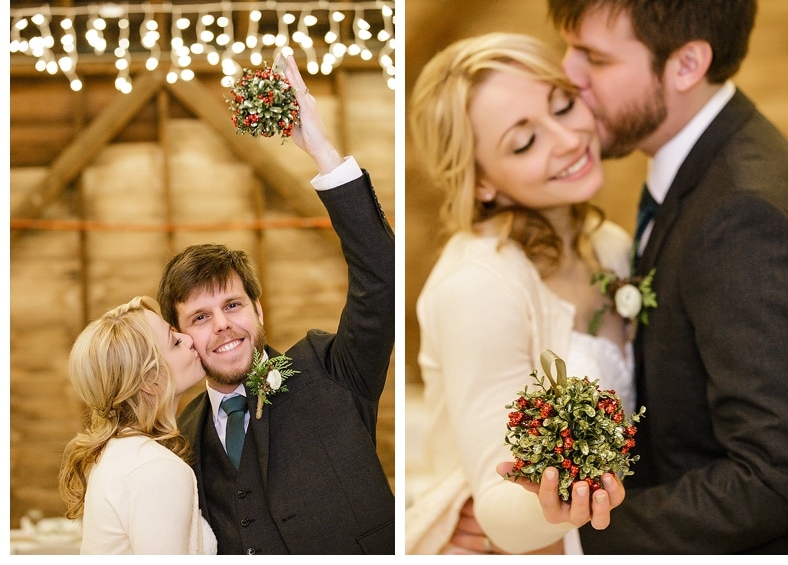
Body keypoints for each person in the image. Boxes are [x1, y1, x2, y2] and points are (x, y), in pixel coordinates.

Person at [511, 0, 788, 554]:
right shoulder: (705, 169)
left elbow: (775, 478)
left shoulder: (739, 212)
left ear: (686, 64)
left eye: (594, 57)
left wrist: (576, 541)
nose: (569, 74)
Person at [156, 55, 395, 555]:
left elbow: (381, 277)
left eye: (233, 305)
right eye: (200, 317)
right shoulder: (180, 435)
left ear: (258, 310)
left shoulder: (332, 370)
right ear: (179, 336)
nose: (223, 326)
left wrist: (322, 151)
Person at [405, 32, 629, 556]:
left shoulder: (612, 246)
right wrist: (558, 501)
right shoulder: (477, 286)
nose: (569, 139)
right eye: (525, 141)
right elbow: (498, 509)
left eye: (563, 105)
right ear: (481, 181)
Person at [58, 296, 216, 554]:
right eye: (175, 342)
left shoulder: (118, 453)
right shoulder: (157, 469)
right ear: (149, 381)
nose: (188, 339)